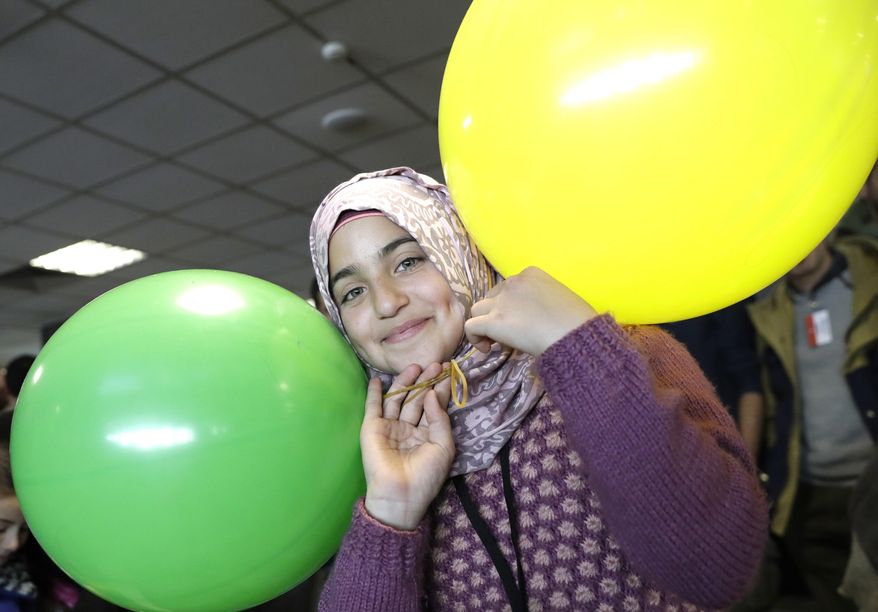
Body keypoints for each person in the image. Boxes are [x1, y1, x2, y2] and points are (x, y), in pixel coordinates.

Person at [309, 167, 768, 611]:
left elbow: (717, 573)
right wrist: (392, 509)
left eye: (408, 261)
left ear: (457, 252)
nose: (387, 301)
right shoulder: (369, 445)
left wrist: (577, 350)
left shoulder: (615, 349)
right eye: (352, 292)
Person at [747, 234, 878, 611]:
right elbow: (771, 402)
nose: (797, 249)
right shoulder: (766, 316)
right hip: (807, 496)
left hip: (870, 480)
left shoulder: (867, 279)